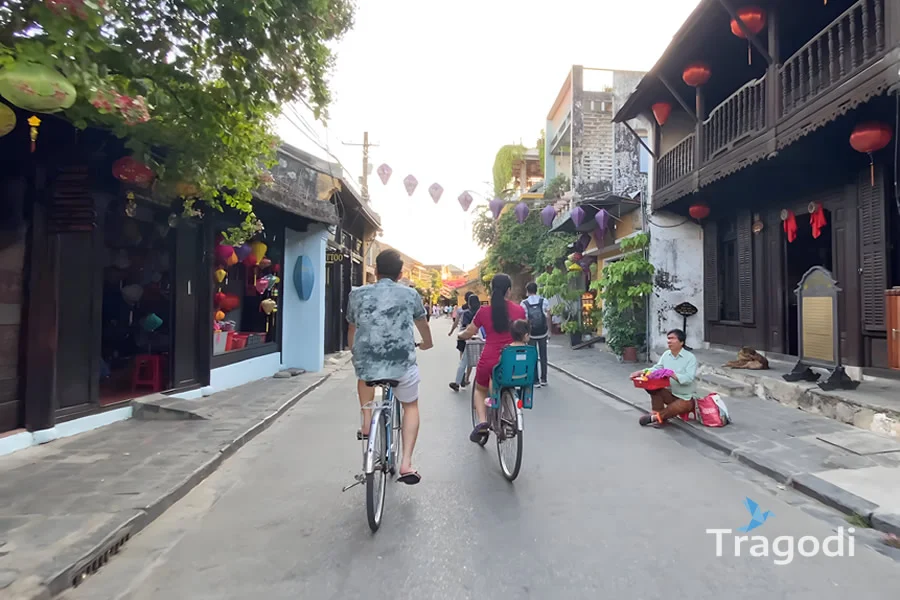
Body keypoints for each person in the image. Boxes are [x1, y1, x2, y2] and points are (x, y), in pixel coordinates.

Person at [347, 249, 434, 484]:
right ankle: (406, 463)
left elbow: (352, 330)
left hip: (368, 361)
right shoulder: (410, 294)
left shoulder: (357, 295)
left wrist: (355, 351)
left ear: (375, 271)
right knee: (411, 406)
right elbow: (422, 324)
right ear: (400, 274)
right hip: (401, 361)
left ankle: (367, 422)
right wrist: (427, 343)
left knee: (364, 375)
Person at [457, 273, 526, 444]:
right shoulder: (519, 310)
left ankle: (482, 422)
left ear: (492, 289)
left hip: (490, 359)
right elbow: (524, 335)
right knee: (509, 383)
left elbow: (469, 332)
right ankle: (508, 415)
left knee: (480, 390)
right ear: (508, 291)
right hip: (512, 360)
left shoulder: (484, 311)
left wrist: (460, 335)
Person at [631, 329, 697, 426]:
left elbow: (688, 378)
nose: (669, 341)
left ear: (681, 342)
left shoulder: (690, 358)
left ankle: (655, 417)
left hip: (685, 397)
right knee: (653, 388)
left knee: (676, 408)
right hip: (670, 393)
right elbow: (656, 369)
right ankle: (656, 413)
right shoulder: (666, 355)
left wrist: (672, 374)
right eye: (668, 339)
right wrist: (641, 372)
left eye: (672, 338)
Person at [448, 293, 482, 392]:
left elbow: (467, 327)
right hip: (481, 339)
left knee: (464, 361)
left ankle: (458, 382)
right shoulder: (481, 312)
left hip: (468, 339)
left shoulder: (466, 313)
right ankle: (467, 378)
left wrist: (458, 335)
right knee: (478, 361)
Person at [521, 282, 550, 387]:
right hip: (543, 332)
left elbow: (525, 320)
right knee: (543, 356)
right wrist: (549, 331)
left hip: (531, 334)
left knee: (532, 356)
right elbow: (548, 316)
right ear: (536, 290)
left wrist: (525, 333)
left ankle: (535, 380)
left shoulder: (524, 303)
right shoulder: (544, 301)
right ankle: (544, 379)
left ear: (527, 291)